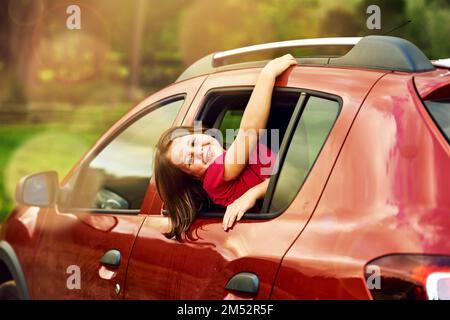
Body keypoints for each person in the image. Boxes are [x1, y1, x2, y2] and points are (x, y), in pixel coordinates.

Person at [154, 54, 297, 240]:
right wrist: (267, 75)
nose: (199, 152)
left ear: (202, 132)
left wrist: (255, 192)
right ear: (193, 176)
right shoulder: (213, 180)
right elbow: (249, 131)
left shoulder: (239, 152)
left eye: (193, 142)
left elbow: (291, 179)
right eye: (190, 160)